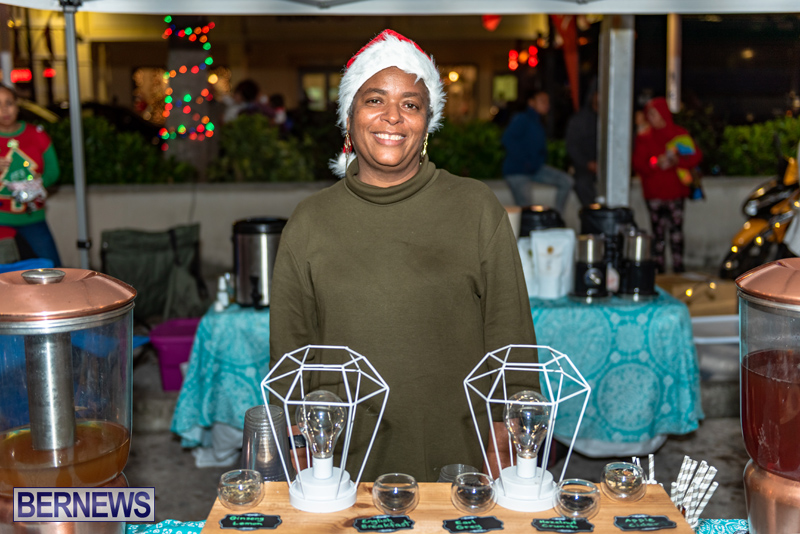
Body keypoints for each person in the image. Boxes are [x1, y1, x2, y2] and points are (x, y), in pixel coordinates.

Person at [269, 29, 537, 483]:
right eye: (374, 100)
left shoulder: (475, 207)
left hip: (461, 456)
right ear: (349, 118)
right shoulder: (310, 220)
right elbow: (291, 356)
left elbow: (511, 337)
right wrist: (297, 445)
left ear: (427, 122)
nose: (393, 117)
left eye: (411, 104)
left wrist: (512, 440)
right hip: (339, 461)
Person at [632, 97, 702, 273]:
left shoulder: (679, 134)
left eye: (654, 114)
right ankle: (659, 271)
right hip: (654, 193)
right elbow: (638, 164)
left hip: (675, 193)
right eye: (650, 115)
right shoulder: (644, 137)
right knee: (658, 235)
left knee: (676, 233)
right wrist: (656, 162)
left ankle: (679, 269)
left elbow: (695, 156)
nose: (652, 118)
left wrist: (676, 161)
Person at [0, 84, 61, 266]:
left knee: (52, 270)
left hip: (32, 216)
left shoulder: (37, 135)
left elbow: (54, 171)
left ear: (17, 105)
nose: (4, 110)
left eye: (8, 103)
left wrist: (38, 183)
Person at [502, 90, 574, 214]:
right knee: (527, 209)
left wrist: (536, 162)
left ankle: (556, 217)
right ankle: (526, 230)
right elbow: (507, 139)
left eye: (548, 102)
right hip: (517, 171)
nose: (547, 105)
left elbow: (539, 149)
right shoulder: (522, 119)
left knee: (567, 181)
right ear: (531, 102)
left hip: (535, 169)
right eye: (542, 101)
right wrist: (525, 162)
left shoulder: (538, 122)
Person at [565, 83, 599, 207]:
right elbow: (572, 146)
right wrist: (588, 163)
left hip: (608, 168)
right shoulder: (580, 120)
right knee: (582, 184)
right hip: (584, 168)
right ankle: (595, 216)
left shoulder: (612, 118)